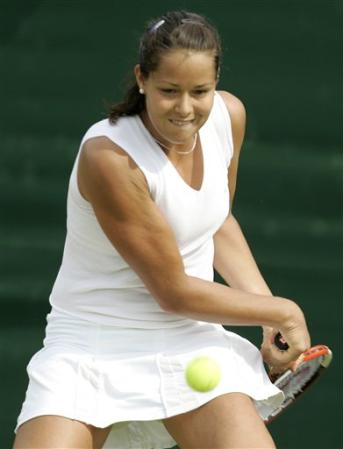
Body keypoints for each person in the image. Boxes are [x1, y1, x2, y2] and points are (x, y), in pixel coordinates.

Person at [13, 10, 311, 449]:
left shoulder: (229, 117)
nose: (186, 109)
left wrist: (266, 314)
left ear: (217, 83)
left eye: (200, 91)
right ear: (141, 79)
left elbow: (217, 221)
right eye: (169, 91)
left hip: (189, 337)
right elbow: (171, 291)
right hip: (92, 342)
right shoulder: (109, 157)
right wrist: (282, 312)